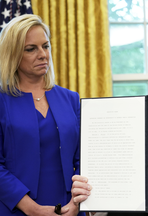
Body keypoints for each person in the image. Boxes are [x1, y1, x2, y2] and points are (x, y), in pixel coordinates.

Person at [0, 14, 91, 215]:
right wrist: (33, 209)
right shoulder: (2, 101)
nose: (43, 54)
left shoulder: (71, 98)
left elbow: (84, 159)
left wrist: (75, 205)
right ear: (13, 54)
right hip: (16, 209)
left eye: (46, 46)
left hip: (71, 209)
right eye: (31, 49)